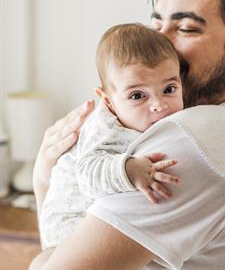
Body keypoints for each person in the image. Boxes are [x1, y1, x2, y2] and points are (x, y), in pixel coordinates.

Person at [31, 0, 225, 270]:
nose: (160, 42)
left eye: (186, 28)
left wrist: (43, 181)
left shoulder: (194, 137)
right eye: (156, 25)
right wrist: (52, 177)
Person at [39, 23, 184, 250]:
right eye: (137, 95)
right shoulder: (104, 128)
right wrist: (130, 170)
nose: (159, 105)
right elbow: (87, 174)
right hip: (67, 228)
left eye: (169, 89)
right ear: (107, 101)